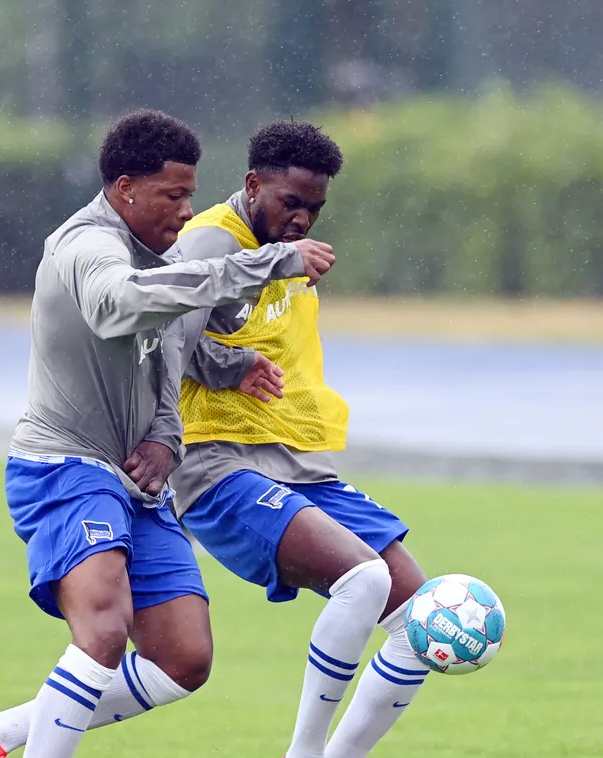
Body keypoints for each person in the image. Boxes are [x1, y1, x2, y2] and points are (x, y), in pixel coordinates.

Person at [0, 109, 335, 758]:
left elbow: (163, 360)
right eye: (173, 195)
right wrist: (261, 264)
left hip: (134, 480)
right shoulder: (87, 247)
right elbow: (121, 304)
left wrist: (168, 437)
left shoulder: (154, 254)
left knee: (183, 658)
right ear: (125, 188)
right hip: (63, 468)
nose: (187, 210)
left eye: (190, 193)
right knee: (102, 632)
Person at [167, 120, 433, 758]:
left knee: (421, 622)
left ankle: (3, 732)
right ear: (253, 184)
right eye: (291, 203)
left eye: (315, 209)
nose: (303, 220)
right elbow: (160, 337)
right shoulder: (209, 241)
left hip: (292, 464)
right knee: (364, 582)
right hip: (214, 464)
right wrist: (233, 365)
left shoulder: (288, 255)